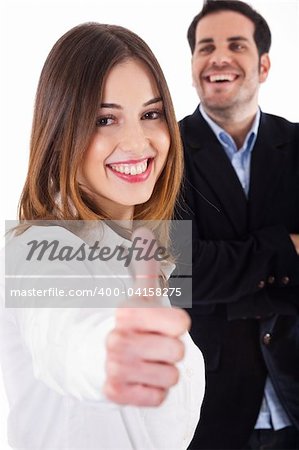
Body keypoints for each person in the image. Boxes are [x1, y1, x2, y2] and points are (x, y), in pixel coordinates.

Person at [0, 22, 205, 449]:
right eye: (105, 119)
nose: (137, 141)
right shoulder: (37, 249)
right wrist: (111, 353)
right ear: (60, 133)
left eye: (151, 114)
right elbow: (62, 333)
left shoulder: (147, 254)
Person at [177, 1, 299, 449]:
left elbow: (206, 272)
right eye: (205, 47)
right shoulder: (166, 154)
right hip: (211, 409)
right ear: (193, 66)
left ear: (263, 64)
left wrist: (227, 274)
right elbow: (180, 272)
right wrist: (286, 248)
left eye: (236, 45)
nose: (218, 57)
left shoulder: (297, 145)